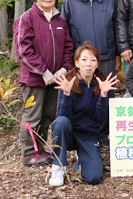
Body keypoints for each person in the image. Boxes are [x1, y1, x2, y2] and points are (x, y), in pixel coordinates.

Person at [13, 0, 74, 167]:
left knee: (48, 116)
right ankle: (28, 153)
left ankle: (39, 149)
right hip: (34, 80)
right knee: (32, 116)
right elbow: (24, 50)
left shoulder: (59, 21)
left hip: (55, 79)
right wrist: (44, 72)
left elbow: (68, 47)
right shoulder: (26, 19)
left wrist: (63, 69)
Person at [61, 0, 119, 148]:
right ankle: (83, 134)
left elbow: (117, 27)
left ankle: (104, 135)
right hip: (81, 60)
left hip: (107, 57)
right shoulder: (70, 1)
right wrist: (71, 59)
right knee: (82, 95)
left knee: (106, 95)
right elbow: (65, 32)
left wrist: (117, 53)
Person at [46, 44, 118, 187]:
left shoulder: (102, 84)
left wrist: (103, 95)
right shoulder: (68, 81)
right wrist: (66, 94)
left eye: (93, 60)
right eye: (84, 59)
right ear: (77, 62)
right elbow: (63, 116)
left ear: (97, 63)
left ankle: (82, 157)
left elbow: (100, 118)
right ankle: (58, 166)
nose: (88, 64)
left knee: (94, 178)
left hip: (89, 136)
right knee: (61, 122)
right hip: (69, 133)